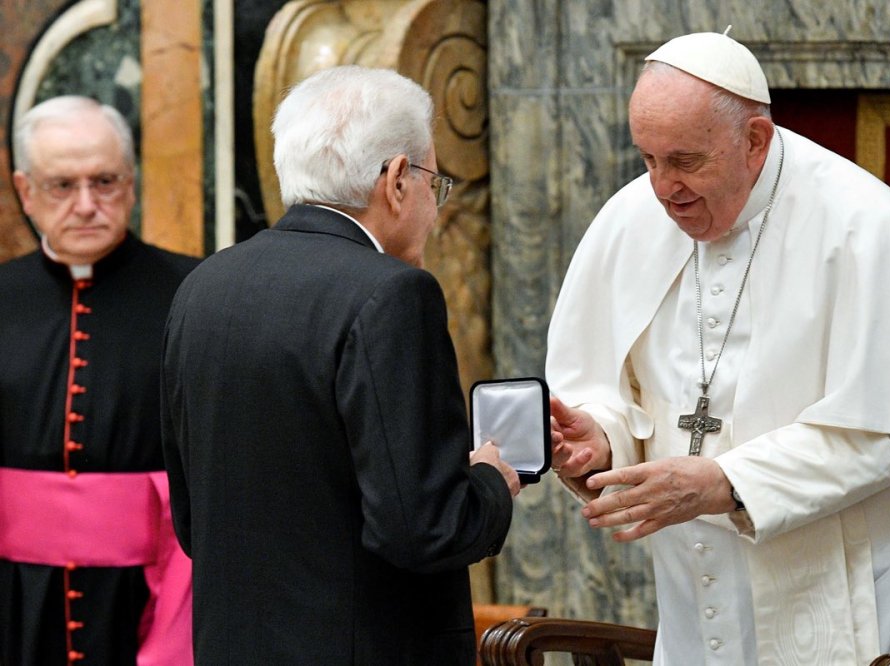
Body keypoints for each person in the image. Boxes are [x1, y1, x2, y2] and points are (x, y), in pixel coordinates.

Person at [545, 30, 890, 665]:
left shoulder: (865, 225)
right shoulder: (629, 221)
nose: (662, 187)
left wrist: (725, 481)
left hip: (881, 569)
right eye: (647, 159)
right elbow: (622, 389)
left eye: (685, 161)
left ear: (755, 141)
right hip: (707, 581)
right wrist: (599, 436)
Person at [160, 65, 520, 665]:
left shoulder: (202, 286)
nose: (435, 203)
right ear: (398, 179)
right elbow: (422, 528)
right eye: (435, 180)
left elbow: (193, 523)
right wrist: (490, 482)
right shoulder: (392, 294)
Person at [0, 96, 198, 664]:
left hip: (154, 596)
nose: (86, 205)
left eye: (105, 181)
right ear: (25, 190)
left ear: (132, 185)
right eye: (62, 185)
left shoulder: (194, 294)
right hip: (18, 599)